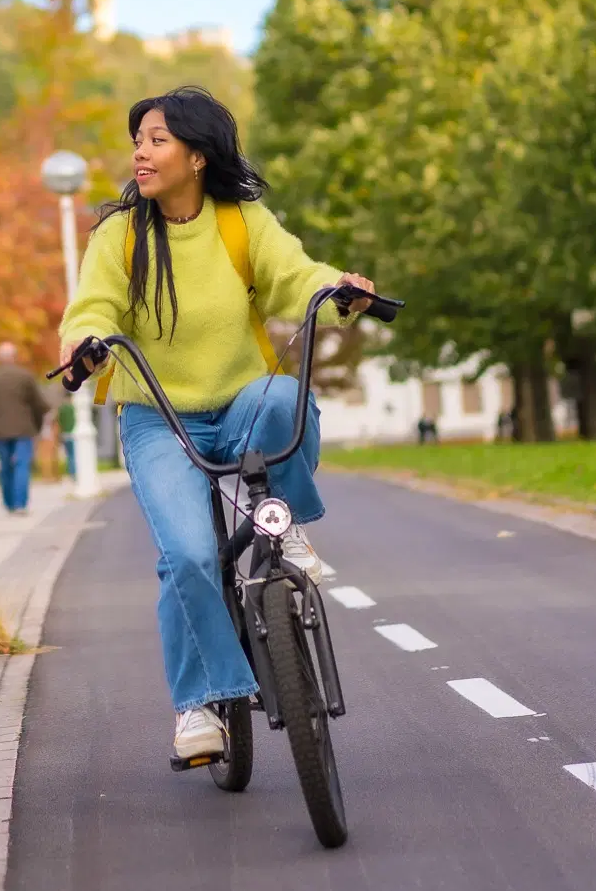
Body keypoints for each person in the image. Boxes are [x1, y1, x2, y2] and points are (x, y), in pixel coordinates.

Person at [59, 86, 376, 764]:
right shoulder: (120, 233)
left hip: (237, 403)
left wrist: (335, 289)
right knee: (189, 555)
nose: (141, 152)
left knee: (281, 395)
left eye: (157, 139)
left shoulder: (240, 220)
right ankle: (199, 705)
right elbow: (95, 306)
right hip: (159, 420)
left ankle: (284, 525)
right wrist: (86, 341)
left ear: (197, 156)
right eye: (138, 140)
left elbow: (294, 274)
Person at [0, 342, 50, 514]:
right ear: (14, 357)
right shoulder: (25, 376)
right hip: (23, 429)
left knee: (5, 467)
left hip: (0, 431)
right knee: (21, 465)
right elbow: (38, 404)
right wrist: (41, 423)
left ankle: (9, 503)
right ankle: (20, 505)